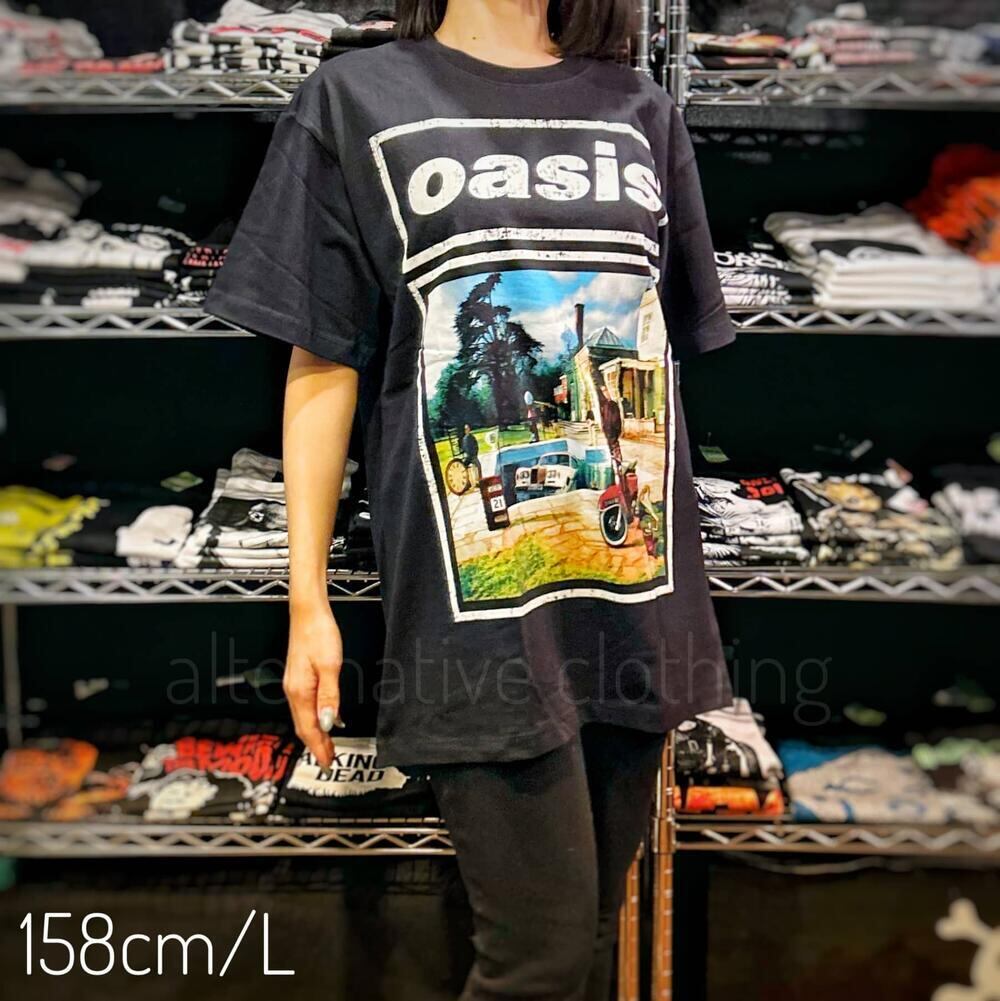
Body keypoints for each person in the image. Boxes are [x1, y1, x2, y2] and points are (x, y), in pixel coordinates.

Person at [206, 2, 735, 997]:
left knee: (588, 938)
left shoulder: (640, 108)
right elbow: (322, 360)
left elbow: (659, 336)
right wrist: (306, 601)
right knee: (535, 959)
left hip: (637, 601)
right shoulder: (357, 98)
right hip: (473, 622)